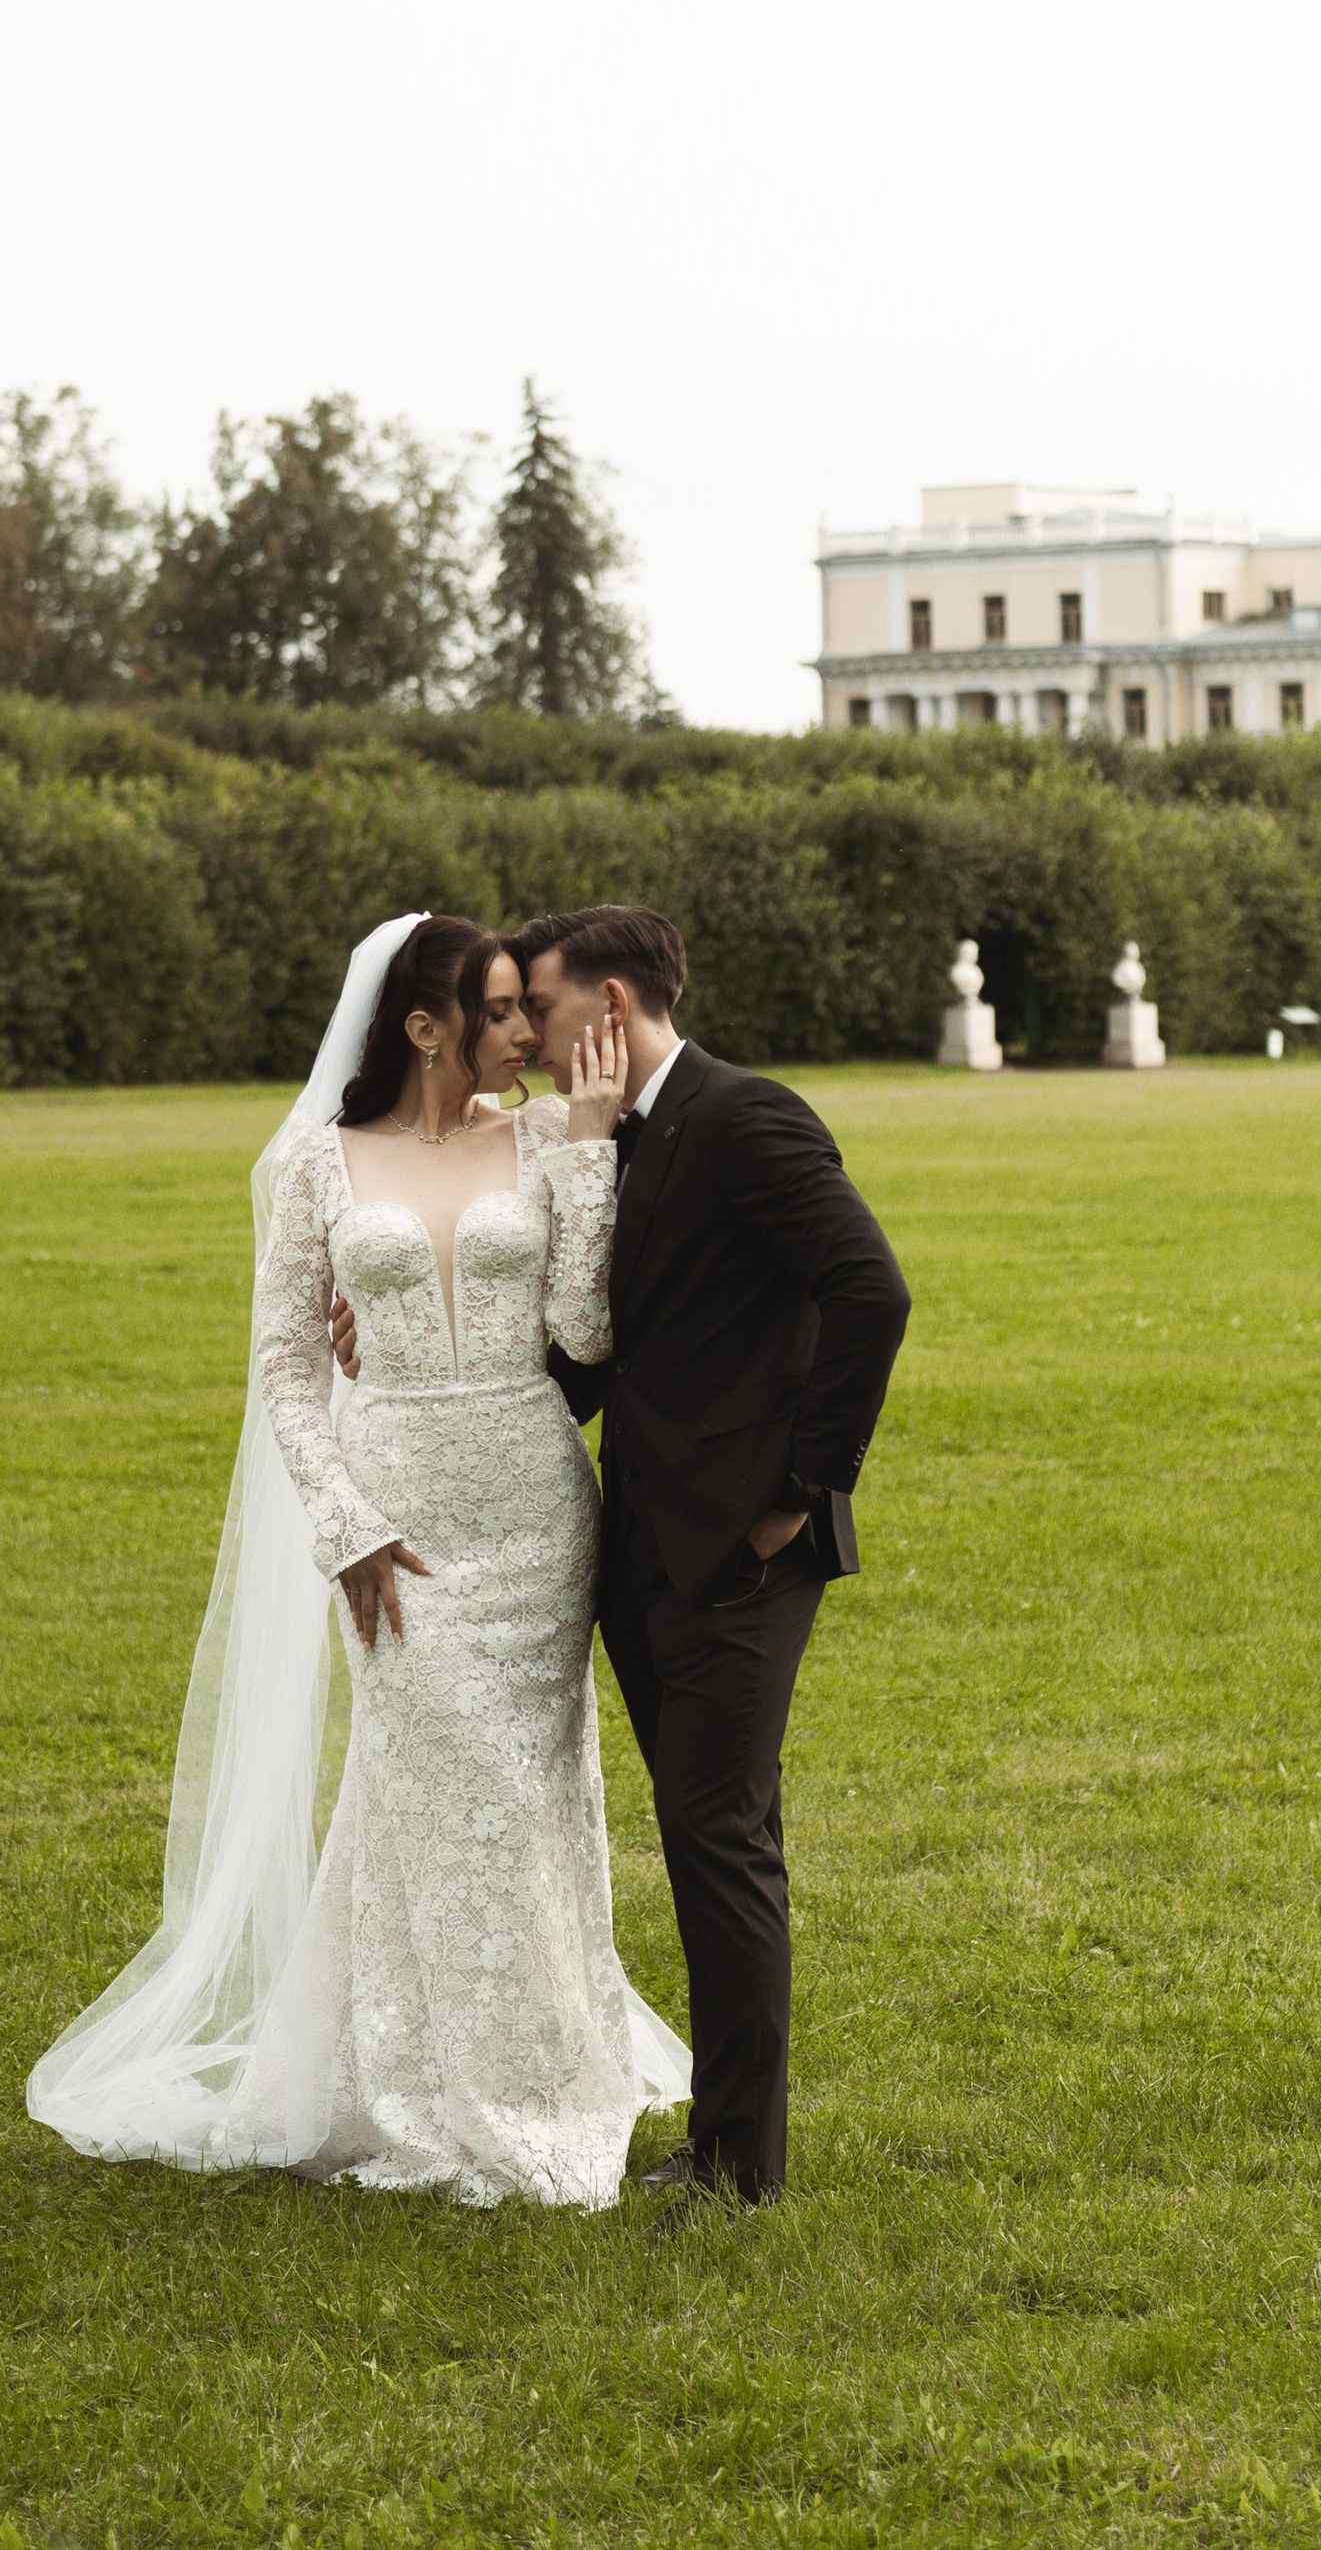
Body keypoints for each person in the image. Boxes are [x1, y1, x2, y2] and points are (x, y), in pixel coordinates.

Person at [26, 912, 688, 2207]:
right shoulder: (319, 1166)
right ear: (424, 1027)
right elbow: (285, 1364)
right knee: (428, 1789)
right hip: (394, 1516)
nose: (527, 1031)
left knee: (527, 1801)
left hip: (533, 1509)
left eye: (527, 1006)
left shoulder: (549, 1139)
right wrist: (345, 1525)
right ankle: (411, 2072)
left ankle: (539, 2073)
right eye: (500, 1010)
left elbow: (585, 1332)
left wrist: (591, 1150)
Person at [334, 903, 909, 2207]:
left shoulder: (747, 1118)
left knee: (720, 1838)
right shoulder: (595, 1135)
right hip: (633, 1546)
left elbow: (871, 1291)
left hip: (744, 1551)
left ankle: (739, 2166)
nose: (526, 1034)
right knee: (698, 1835)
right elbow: (599, 1335)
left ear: (607, 1005)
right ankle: (710, 2138)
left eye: (536, 1005)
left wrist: (800, 1494)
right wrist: (387, 1327)